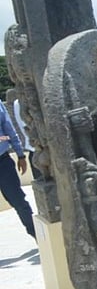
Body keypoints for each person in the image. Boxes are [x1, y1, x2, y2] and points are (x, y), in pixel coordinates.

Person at [0, 101, 35, 239]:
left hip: (3, 162)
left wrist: (20, 154)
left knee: (18, 201)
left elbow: (8, 129)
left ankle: (36, 235)